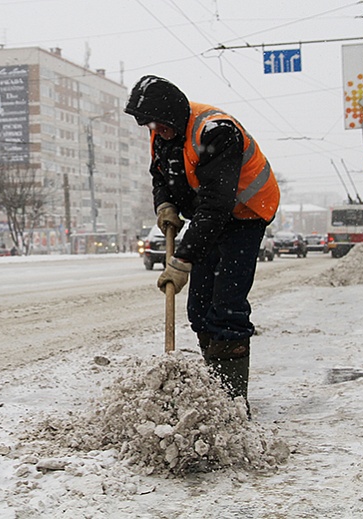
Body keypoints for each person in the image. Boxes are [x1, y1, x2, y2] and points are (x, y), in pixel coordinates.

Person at [124, 75, 280, 409]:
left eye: (160, 124)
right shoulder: (163, 133)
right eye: (150, 126)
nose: (155, 131)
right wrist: (164, 204)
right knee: (199, 310)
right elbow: (160, 174)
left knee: (226, 309)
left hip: (246, 214)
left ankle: (232, 404)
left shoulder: (217, 131)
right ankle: (215, 389)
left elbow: (216, 206)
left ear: (175, 116)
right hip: (210, 218)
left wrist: (181, 262)